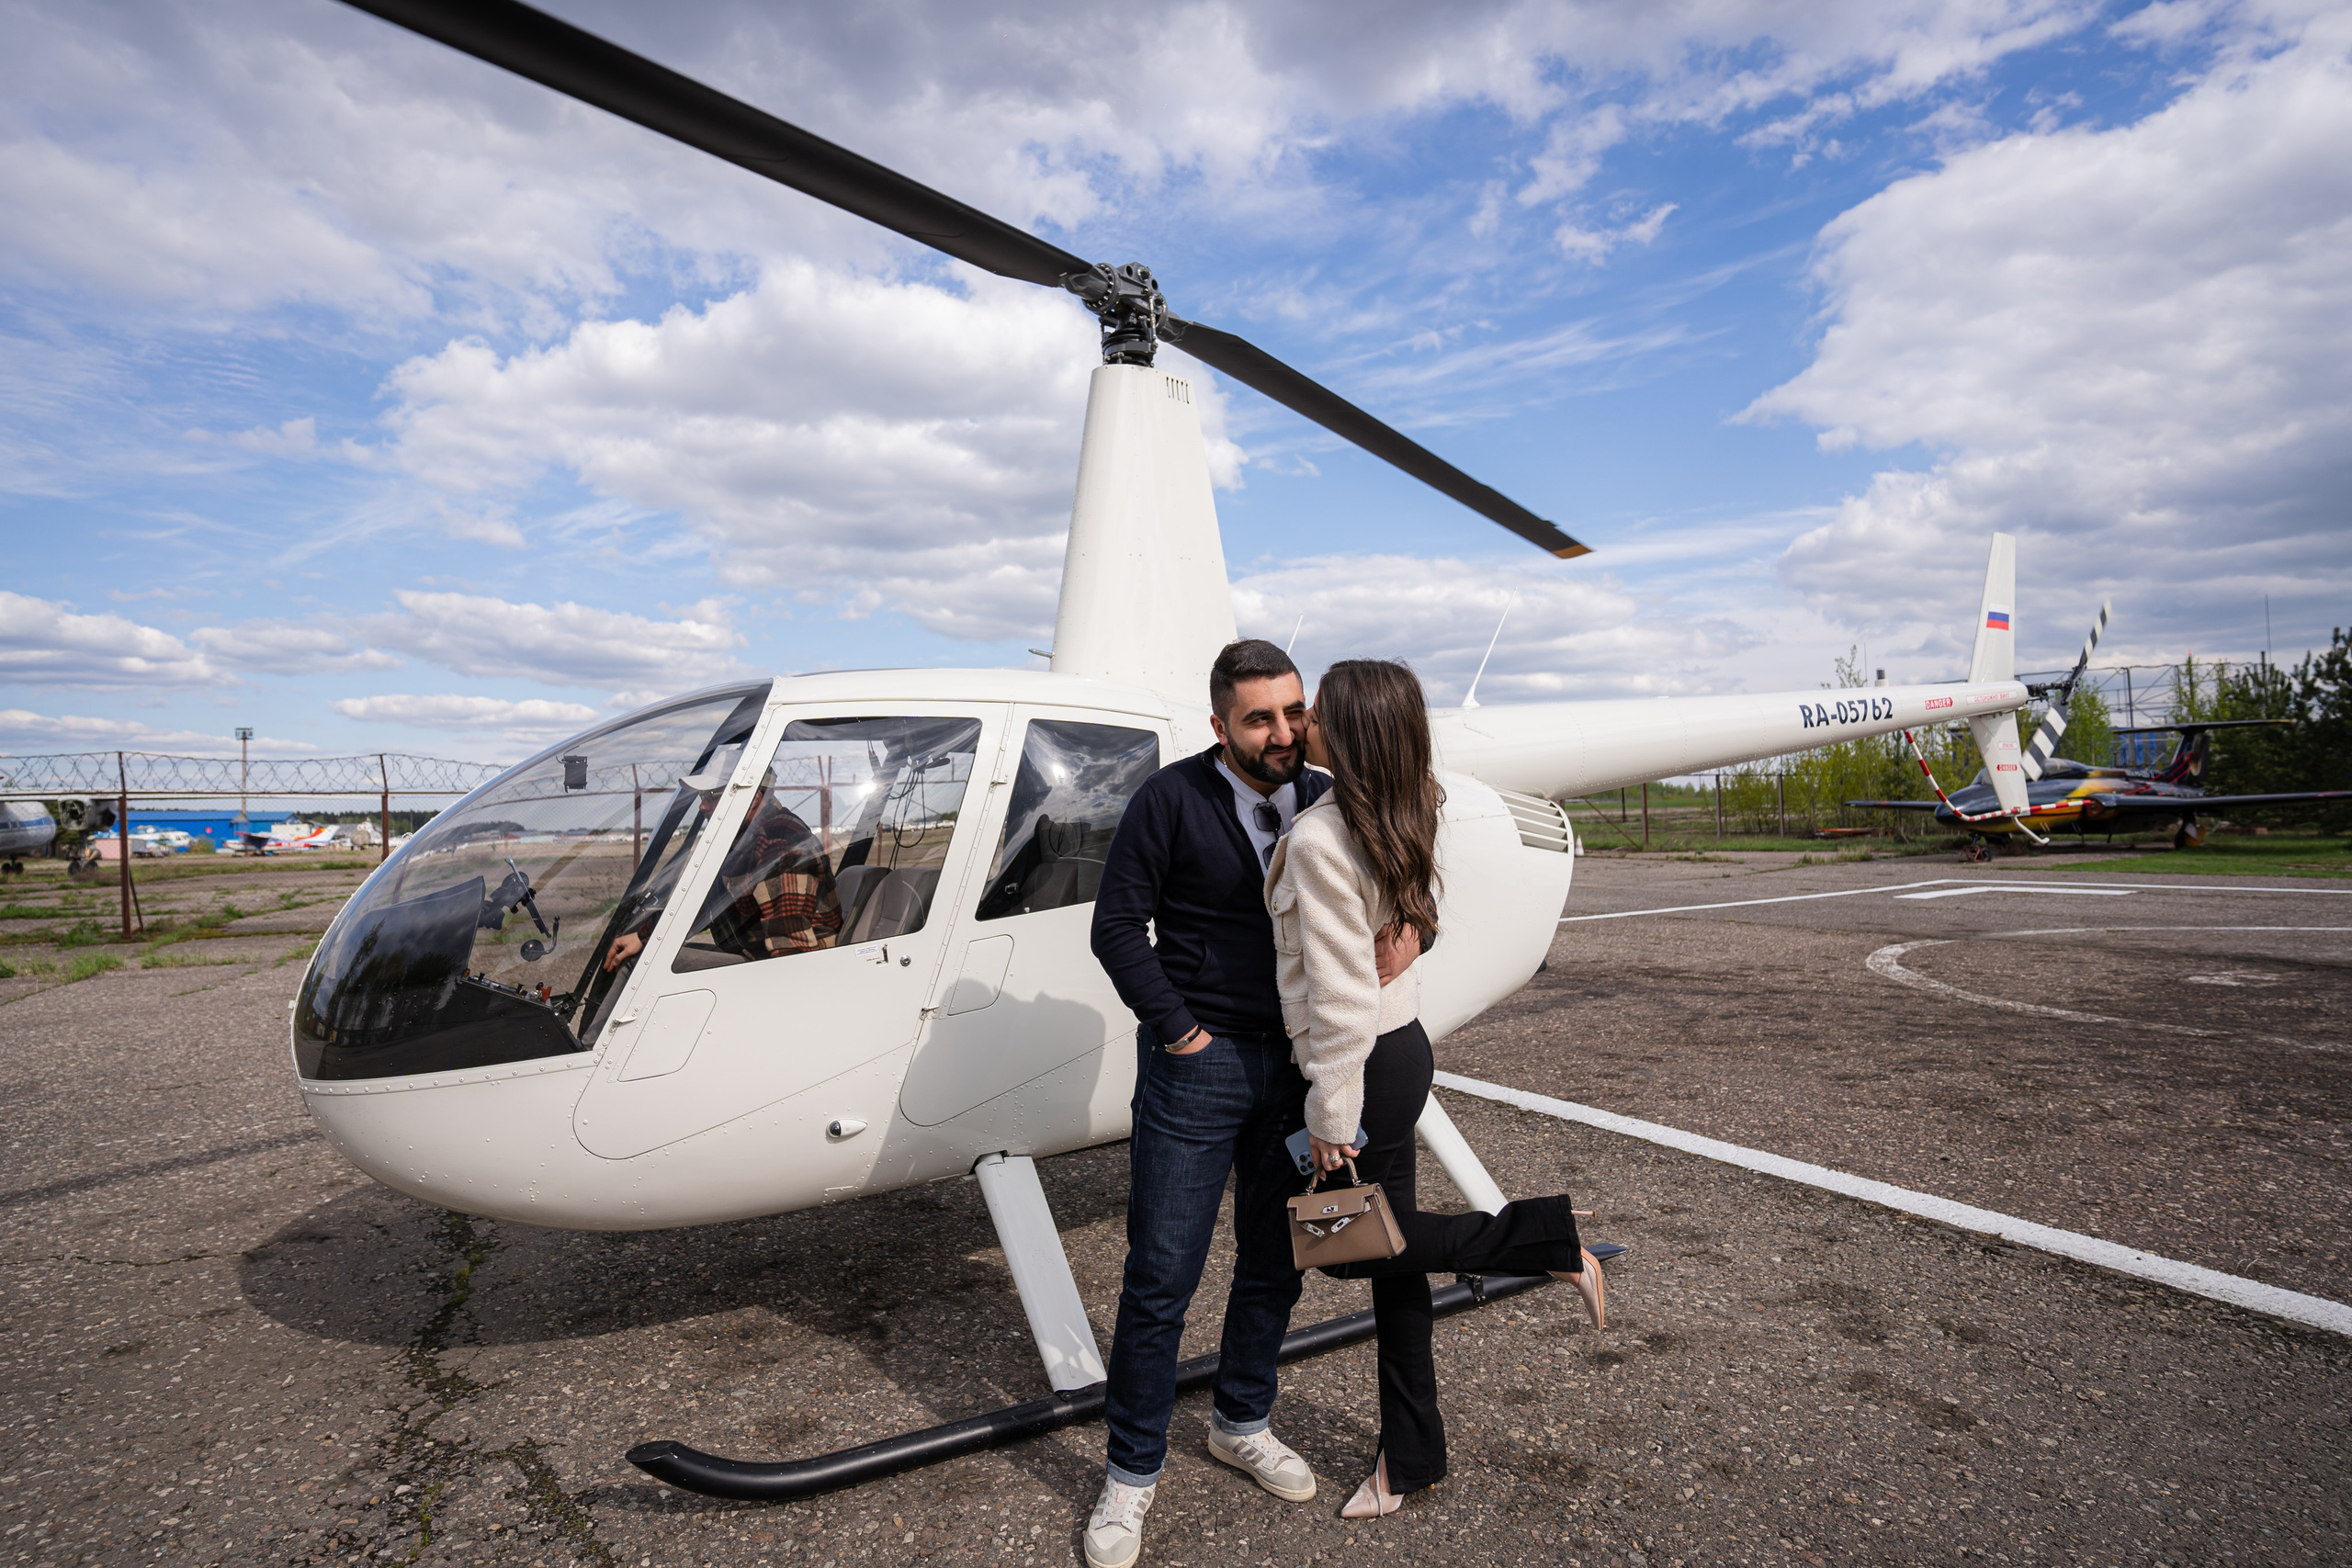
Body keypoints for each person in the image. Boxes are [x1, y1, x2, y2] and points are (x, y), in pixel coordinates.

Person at [1083, 638, 1420, 1568]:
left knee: (1276, 1266)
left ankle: (1240, 1419)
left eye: (1293, 712)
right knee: (1161, 1279)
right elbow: (1115, 926)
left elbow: (1407, 870)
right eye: (1258, 719)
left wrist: (1418, 930)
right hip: (1201, 1068)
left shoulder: (1329, 796)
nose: (1282, 734)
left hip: (1300, 1070)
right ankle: (1130, 1473)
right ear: (1219, 725)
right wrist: (1181, 1031)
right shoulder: (1169, 800)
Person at [1269, 657, 1607, 1519]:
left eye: (1317, 717)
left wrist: (1330, 1114)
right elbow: (1414, 911)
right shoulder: (1407, 803)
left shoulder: (1318, 838)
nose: (1304, 726)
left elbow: (1342, 998)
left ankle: (1544, 1243)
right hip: (1404, 1047)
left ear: (1344, 733)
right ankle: (1410, 1457)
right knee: (1393, 1270)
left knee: (1356, 1248)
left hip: (1366, 1064)